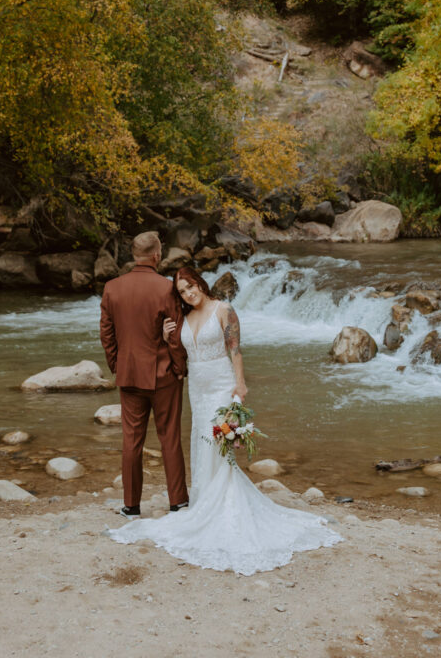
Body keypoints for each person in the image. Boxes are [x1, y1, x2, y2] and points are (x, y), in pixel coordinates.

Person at [106, 266, 342, 575]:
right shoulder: (184, 319)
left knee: (219, 445)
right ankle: (205, 500)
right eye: (182, 292)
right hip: (198, 390)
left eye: (191, 287)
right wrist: (166, 338)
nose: (188, 294)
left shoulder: (223, 310)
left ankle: (223, 508)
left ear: (201, 284)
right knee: (202, 445)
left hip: (220, 384)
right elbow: (180, 357)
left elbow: (236, 351)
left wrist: (240, 387)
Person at [100, 231, 189, 517]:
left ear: (133, 255)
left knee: (131, 441)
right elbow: (174, 335)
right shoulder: (167, 288)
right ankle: (178, 502)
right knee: (169, 438)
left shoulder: (112, 288)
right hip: (163, 376)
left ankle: (131, 505)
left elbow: (107, 334)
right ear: (156, 255)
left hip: (129, 375)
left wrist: (117, 364)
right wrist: (179, 369)